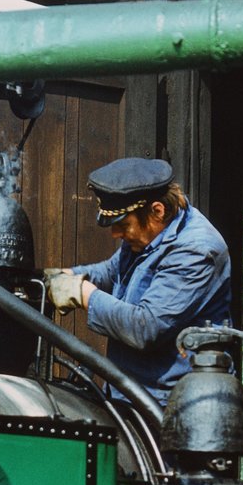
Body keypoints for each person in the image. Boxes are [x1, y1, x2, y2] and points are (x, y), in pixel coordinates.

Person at [46, 156, 231, 404]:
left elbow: (146, 327)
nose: (115, 234)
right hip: (133, 393)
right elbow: (113, 271)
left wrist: (83, 294)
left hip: (175, 407)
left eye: (123, 225)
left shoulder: (197, 250)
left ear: (157, 210)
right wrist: (69, 275)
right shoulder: (152, 232)